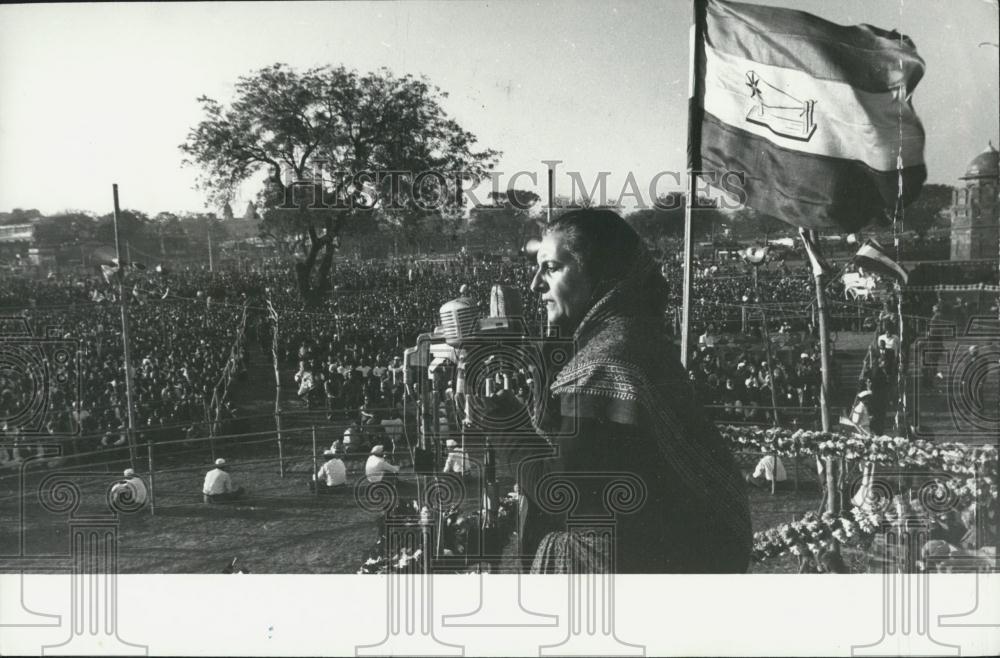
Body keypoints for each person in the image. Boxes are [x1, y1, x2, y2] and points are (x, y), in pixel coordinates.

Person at [491, 208, 751, 574]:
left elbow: (560, 492)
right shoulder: (629, 341)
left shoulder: (606, 361)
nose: (535, 284)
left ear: (597, 273)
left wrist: (504, 423)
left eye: (551, 267)